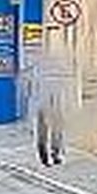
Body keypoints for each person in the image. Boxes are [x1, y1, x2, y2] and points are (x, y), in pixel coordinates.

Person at [29, 39, 67, 167]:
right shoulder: (37, 71)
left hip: (52, 104)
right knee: (46, 131)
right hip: (44, 105)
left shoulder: (40, 71)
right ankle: (47, 155)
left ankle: (52, 155)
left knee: (53, 130)